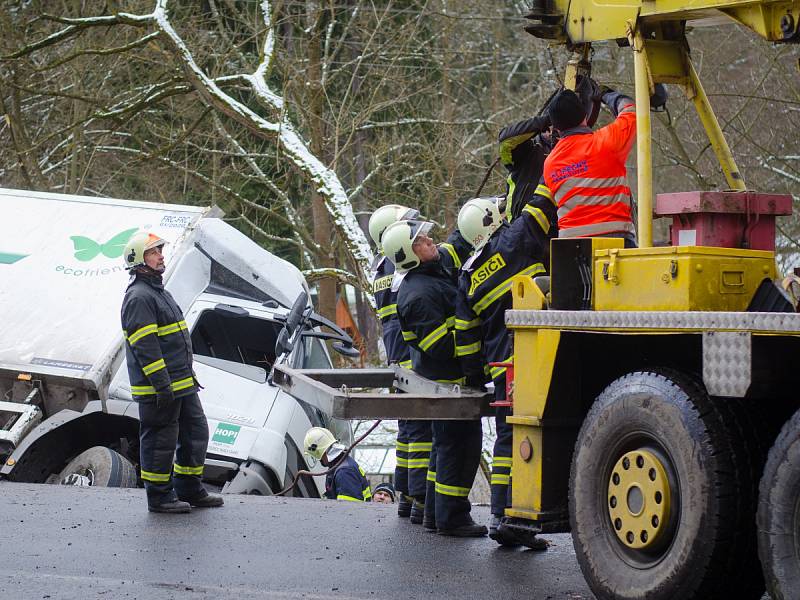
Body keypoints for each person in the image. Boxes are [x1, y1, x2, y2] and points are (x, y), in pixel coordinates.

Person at [455, 197, 554, 549]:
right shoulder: (513, 239)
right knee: (536, 436)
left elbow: (465, 336)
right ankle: (520, 520)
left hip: (503, 367)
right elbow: (542, 204)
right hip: (537, 353)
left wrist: (473, 377)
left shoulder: (466, 276)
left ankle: (500, 515)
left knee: (507, 438)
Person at [381, 219, 486, 537]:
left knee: (446, 447)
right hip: (446, 383)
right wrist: (474, 328)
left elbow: (457, 243)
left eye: (427, 236)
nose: (430, 241)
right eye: (421, 240)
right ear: (409, 255)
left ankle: (434, 515)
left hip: (448, 383)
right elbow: (440, 346)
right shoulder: (418, 295)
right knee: (458, 449)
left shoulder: (433, 273)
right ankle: (452, 518)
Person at [121, 231, 223, 513]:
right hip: (160, 387)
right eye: (153, 252)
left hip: (181, 383)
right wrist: (162, 385)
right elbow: (146, 348)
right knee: (160, 442)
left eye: (160, 251)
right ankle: (159, 497)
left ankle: (189, 487)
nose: (160, 256)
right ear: (139, 260)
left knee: (195, 431)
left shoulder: (157, 292)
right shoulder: (139, 297)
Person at [368, 204, 420, 519]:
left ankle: (407, 498)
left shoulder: (381, 268)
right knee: (418, 432)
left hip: (399, 357)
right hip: (411, 356)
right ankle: (414, 498)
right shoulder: (396, 266)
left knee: (408, 433)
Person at [543, 86, 638, 245]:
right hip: (614, 240)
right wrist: (607, 95)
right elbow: (631, 109)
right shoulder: (607, 143)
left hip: (569, 247)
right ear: (585, 115)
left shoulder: (550, 163)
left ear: (556, 127)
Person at [304, 427, 372, 502]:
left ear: (322, 452)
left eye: (318, 457)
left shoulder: (344, 472)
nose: (320, 460)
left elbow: (348, 509)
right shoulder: (340, 464)